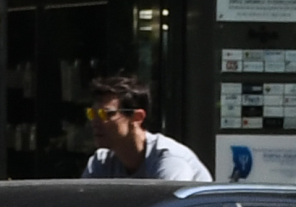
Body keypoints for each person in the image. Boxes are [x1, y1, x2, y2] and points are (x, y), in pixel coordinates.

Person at [81, 75, 211, 181]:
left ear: (137, 117)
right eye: (92, 113)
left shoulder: (170, 161)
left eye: (105, 114)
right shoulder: (101, 162)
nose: (95, 122)